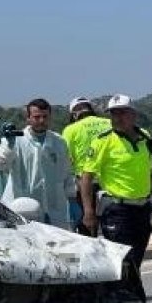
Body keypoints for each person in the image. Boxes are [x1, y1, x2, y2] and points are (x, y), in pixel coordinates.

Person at [80, 94, 152, 303]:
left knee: (135, 262)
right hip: (116, 209)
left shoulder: (145, 138)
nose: (117, 117)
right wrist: (88, 212)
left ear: (133, 114)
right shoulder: (103, 141)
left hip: (141, 208)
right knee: (125, 263)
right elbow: (86, 178)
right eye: (113, 113)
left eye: (122, 112)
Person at [0, 98, 75, 229]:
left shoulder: (59, 142)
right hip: (22, 210)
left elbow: (67, 174)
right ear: (28, 118)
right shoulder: (16, 140)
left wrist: (73, 200)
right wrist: (9, 146)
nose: (41, 120)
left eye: (45, 117)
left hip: (55, 212)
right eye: (36, 117)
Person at [62, 96, 112, 232]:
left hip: (84, 184)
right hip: (111, 182)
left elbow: (66, 157)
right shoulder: (109, 123)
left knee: (87, 227)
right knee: (112, 227)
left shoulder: (70, 129)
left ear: (73, 113)